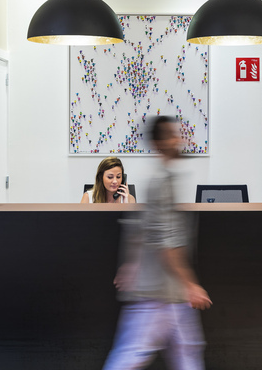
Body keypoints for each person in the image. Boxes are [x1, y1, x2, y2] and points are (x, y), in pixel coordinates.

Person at [103, 116, 212, 370]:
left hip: (166, 292)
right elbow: (167, 242)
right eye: (172, 135)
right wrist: (190, 285)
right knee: (130, 356)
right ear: (159, 143)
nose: (178, 139)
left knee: (187, 353)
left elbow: (142, 229)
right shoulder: (162, 183)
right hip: (158, 293)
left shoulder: (163, 180)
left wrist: (130, 264)